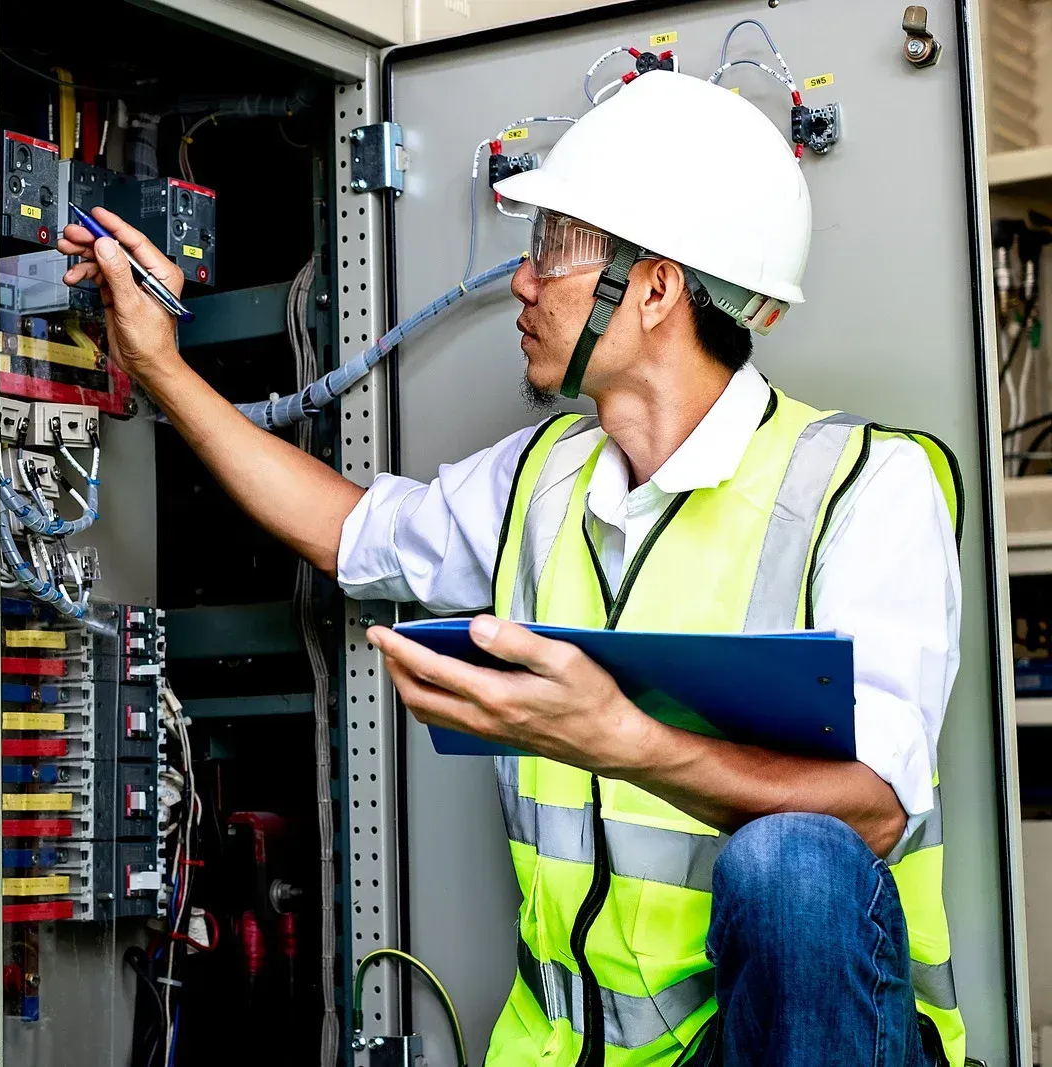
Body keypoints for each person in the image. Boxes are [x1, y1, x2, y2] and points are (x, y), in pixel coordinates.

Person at [59, 71, 963, 1067]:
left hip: (776, 1043)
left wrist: (618, 738)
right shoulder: (544, 478)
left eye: (550, 253)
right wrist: (162, 368)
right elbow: (349, 528)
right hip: (571, 1049)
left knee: (794, 862)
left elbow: (874, 809)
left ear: (655, 287)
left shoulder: (863, 488)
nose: (519, 285)